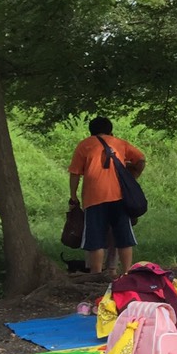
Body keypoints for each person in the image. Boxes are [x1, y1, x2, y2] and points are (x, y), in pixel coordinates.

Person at [68, 117, 146, 275]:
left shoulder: (84, 145)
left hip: (93, 198)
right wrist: (134, 175)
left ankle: (96, 275)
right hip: (119, 196)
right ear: (111, 131)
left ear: (91, 131)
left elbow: (75, 174)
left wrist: (73, 196)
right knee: (124, 238)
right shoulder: (119, 143)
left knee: (95, 240)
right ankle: (126, 273)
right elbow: (140, 159)